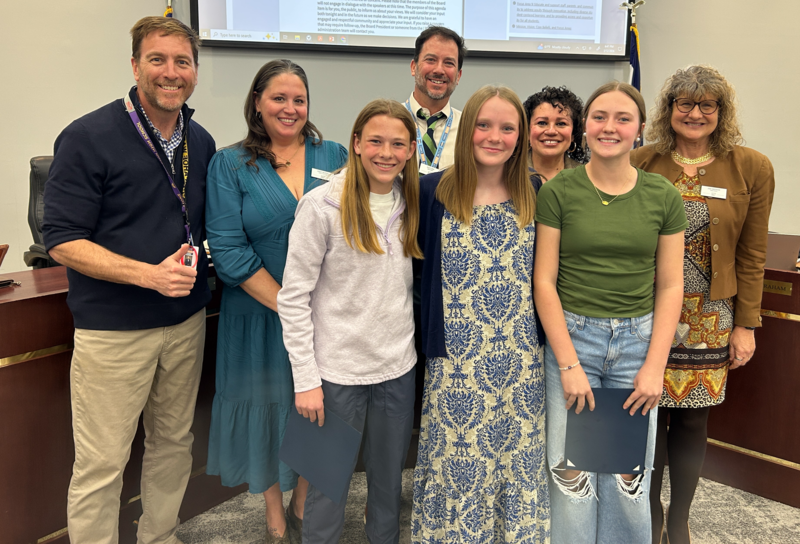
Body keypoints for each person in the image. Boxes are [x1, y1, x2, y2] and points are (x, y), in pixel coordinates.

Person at [42, 16, 216, 544]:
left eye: (182, 62)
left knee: (173, 444)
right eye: (158, 60)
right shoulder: (88, 136)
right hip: (114, 333)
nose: (171, 72)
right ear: (135, 65)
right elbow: (61, 240)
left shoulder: (200, 141)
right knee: (102, 464)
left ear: (194, 70)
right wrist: (149, 276)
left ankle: (159, 535)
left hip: (185, 324)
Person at [534, 81, 688, 544]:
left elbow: (670, 284)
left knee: (627, 479)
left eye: (623, 118)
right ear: (585, 125)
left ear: (640, 128)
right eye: (600, 116)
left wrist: (654, 367)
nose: (610, 127)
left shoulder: (663, 196)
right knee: (572, 478)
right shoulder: (559, 191)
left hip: (637, 349)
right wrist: (568, 364)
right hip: (573, 340)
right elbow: (544, 282)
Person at [630, 65, 775, 544]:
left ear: (721, 112)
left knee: (693, 416)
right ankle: (649, 516)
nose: (695, 113)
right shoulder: (640, 161)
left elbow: (753, 252)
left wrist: (746, 324)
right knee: (648, 416)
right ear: (669, 109)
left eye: (706, 105)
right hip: (647, 313)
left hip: (712, 317)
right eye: (684, 103)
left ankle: (680, 519)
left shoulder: (751, 166)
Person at [205, 59, 347, 542]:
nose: (290, 108)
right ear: (258, 102)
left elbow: (351, 234)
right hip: (257, 314)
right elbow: (227, 248)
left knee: (315, 410)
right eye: (279, 98)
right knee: (266, 409)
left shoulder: (335, 154)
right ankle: (273, 511)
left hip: (323, 316)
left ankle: (304, 498)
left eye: (299, 99)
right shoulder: (229, 163)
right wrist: (290, 304)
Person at [277, 99, 421, 544]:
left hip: (397, 369)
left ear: (412, 150)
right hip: (335, 375)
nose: (386, 152)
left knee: (386, 486)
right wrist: (306, 379)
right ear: (356, 144)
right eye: (375, 140)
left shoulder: (412, 204)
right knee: (326, 489)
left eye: (398, 143)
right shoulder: (322, 206)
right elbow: (293, 297)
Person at [413, 85, 549, 543]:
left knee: (517, 461)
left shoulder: (535, 191)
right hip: (455, 362)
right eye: (484, 125)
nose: (495, 136)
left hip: (521, 360)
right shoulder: (431, 192)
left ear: (521, 135)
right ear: (467, 128)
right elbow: (413, 277)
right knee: (458, 464)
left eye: (508, 128)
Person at [407, 25, 466, 173]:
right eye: (431, 60)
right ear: (414, 67)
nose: (439, 70)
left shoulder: (469, 129)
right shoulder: (389, 121)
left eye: (449, 63)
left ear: (458, 76)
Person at [523, 86, 587, 191]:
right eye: (542, 123)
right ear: (527, 131)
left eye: (561, 123)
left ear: (573, 134)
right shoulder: (506, 174)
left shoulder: (587, 179)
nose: (551, 131)